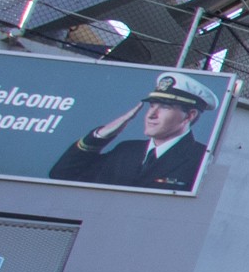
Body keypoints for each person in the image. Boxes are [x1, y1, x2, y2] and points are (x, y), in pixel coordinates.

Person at [50, 72, 218, 190]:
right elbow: (62, 174)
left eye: (165, 107)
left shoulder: (201, 159)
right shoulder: (126, 151)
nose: (152, 114)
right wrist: (100, 136)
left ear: (189, 115)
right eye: (152, 105)